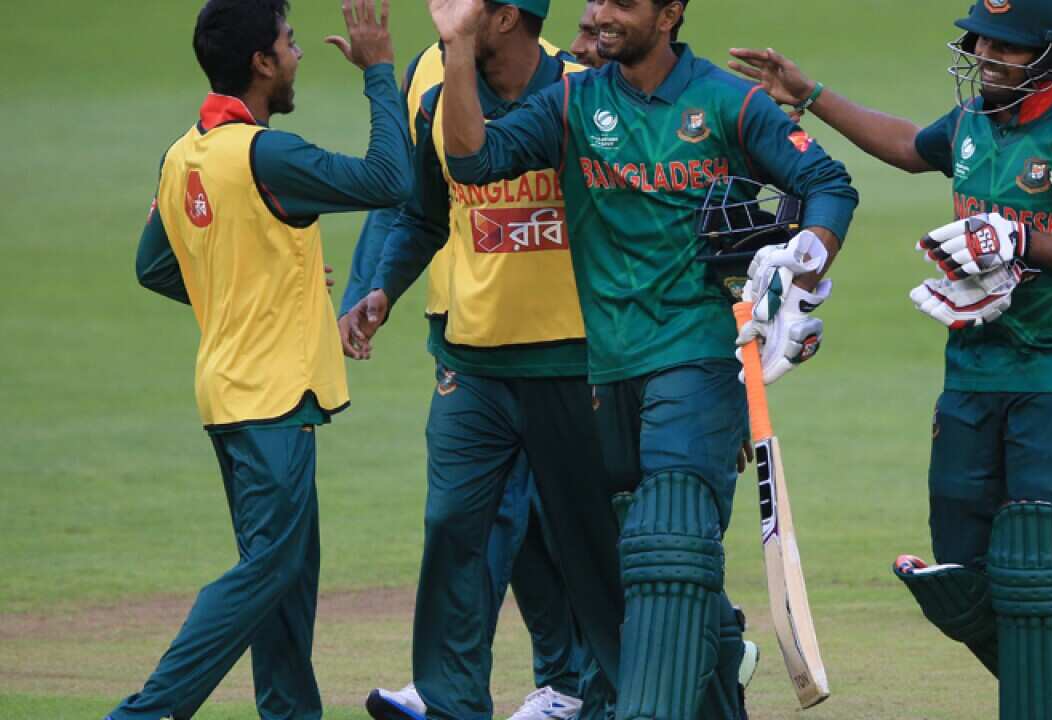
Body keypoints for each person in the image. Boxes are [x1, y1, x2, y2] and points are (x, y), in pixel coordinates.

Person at [426, 0, 858, 718]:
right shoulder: (573, 101)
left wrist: (802, 262)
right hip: (605, 373)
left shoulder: (728, 101)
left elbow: (829, 186)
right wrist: (458, 48)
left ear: (670, 13)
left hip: (695, 357)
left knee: (668, 538)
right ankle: (724, 671)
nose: (601, 12)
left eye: (623, 2)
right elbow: (475, 159)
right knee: (655, 559)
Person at [730, 1, 1052, 717]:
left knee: (1036, 557)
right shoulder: (973, 123)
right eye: (979, 38)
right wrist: (812, 97)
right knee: (958, 575)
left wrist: (1021, 241)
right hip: (971, 370)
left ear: (1045, 55)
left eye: (1000, 44)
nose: (979, 51)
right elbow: (912, 146)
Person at [108, 1, 411, 719]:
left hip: (233, 391)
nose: (301, 54)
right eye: (291, 41)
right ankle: (145, 714)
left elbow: (156, 266)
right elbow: (390, 180)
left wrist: (260, 279)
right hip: (270, 395)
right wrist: (379, 73)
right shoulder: (268, 154)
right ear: (262, 63)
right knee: (270, 567)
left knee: (289, 574)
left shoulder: (183, 153)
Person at [338, 2, 613, 719]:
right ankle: (450, 699)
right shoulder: (438, 101)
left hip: (573, 361)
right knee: (457, 528)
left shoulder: (587, 92)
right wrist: (383, 290)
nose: (442, 12)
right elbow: (424, 217)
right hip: (474, 363)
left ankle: (613, 690)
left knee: (589, 544)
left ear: (502, 19)